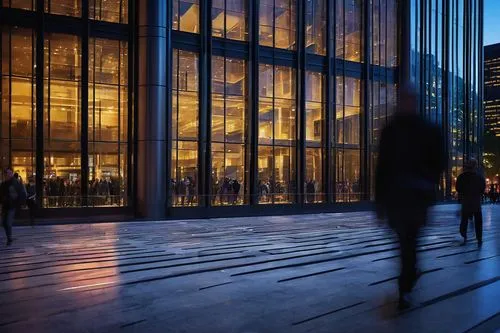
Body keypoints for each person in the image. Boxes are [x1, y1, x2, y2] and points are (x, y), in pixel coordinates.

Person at [375, 86, 446, 310]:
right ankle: (408, 279)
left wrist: (427, 182)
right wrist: (380, 203)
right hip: (398, 197)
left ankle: (405, 284)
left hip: (415, 197)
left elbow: (440, 162)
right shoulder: (391, 130)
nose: (406, 103)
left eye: (409, 99)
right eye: (403, 99)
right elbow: (382, 168)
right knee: (405, 243)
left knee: (409, 242)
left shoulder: (427, 130)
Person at [456, 159, 485, 247]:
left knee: (464, 220)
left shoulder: (461, 177)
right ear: (475, 167)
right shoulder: (480, 177)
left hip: (466, 201)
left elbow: (458, 188)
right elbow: (482, 189)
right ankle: (479, 238)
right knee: (478, 221)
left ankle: (464, 236)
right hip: (476, 202)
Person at [0, 168, 25, 246]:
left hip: (12, 206)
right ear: (5, 174)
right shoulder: (3, 184)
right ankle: (9, 238)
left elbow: (21, 193)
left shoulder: (15, 183)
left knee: (8, 222)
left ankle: (9, 238)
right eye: (7, 173)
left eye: (10, 173)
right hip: (5, 206)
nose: (9, 174)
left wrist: (18, 204)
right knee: (4, 223)